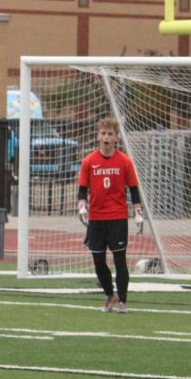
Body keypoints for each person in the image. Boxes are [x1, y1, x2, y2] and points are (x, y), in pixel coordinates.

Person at [77, 117, 143, 313]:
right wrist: (82, 206)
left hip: (117, 218)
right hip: (96, 219)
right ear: (98, 136)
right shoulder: (89, 161)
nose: (106, 137)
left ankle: (122, 300)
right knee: (98, 263)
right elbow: (82, 189)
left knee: (120, 260)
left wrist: (138, 212)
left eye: (110, 134)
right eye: (103, 133)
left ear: (116, 138)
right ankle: (109, 294)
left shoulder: (125, 161)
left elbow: (133, 189)